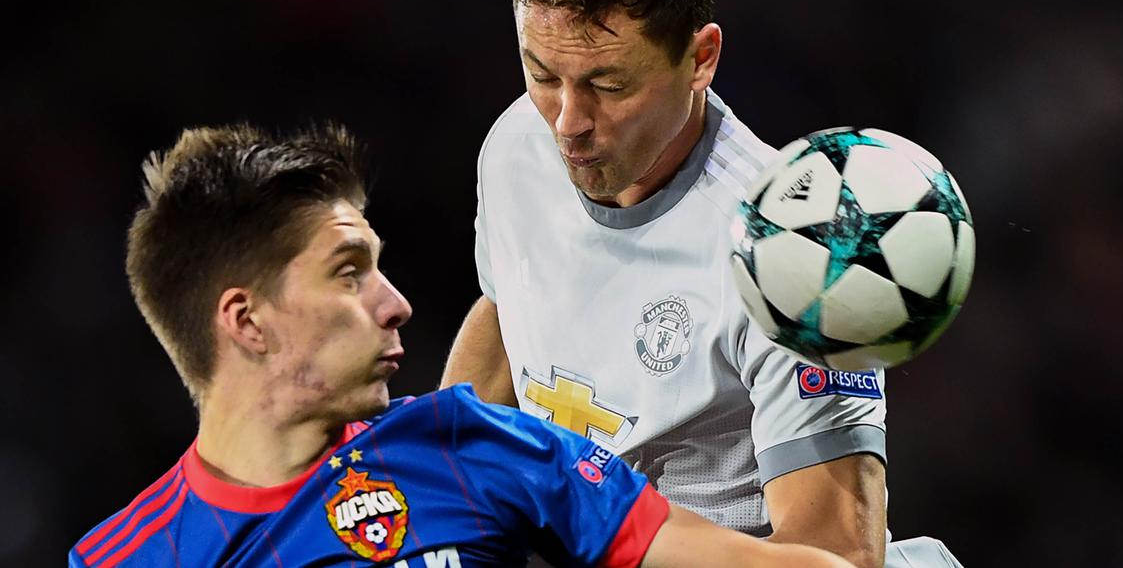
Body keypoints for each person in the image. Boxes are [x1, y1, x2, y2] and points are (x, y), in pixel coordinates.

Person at [439, 0, 962, 568]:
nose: (567, 122)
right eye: (542, 75)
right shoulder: (516, 146)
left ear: (700, 59)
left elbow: (837, 555)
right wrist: (436, 482)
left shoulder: (794, 250)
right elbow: (509, 310)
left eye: (608, 85)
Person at [69, 123, 855, 568]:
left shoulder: (470, 443)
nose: (396, 304)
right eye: (348, 274)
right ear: (246, 322)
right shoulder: (127, 557)